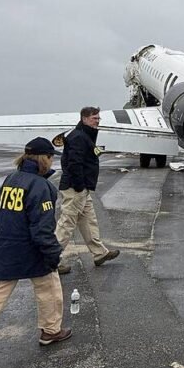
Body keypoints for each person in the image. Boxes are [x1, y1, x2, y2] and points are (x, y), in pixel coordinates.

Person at [0, 138, 71, 363]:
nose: (52, 160)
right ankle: (50, 330)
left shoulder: (10, 179)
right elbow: (43, 228)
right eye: (50, 156)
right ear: (43, 159)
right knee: (49, 286)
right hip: (31, 248)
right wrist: (53, 253)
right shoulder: (41, 186)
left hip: (6, 245)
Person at [55, 107, 119, 274]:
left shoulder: (85, 135)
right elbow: (73, 163)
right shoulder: (78, 137)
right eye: (93, 118)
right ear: (84, 118)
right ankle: (51, 259)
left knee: (89, 221)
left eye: (98, 118)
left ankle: (99, 254)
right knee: (67, 223)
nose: (97, 121)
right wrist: (79, 185)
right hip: (76, 188)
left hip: (82, 188)